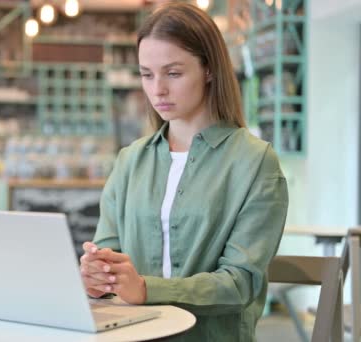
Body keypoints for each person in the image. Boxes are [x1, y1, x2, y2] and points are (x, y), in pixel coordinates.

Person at [79, 2, 288, 341]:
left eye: (173, 73)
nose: (157, 89)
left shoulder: (255, 162)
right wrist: (97, 276)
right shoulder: (130, 161)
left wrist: (146, 288)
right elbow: (107, 257)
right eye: (147, 74)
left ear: (209, 69)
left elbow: (239, 283)